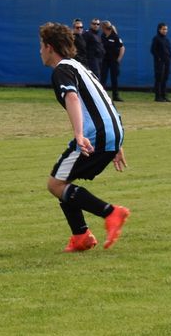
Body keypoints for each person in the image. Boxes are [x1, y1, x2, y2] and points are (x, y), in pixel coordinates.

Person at [38, 22, 130, 252]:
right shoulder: (80, 67)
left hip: (95, 135)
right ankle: (81, 236)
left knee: (55, 183)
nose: (39, 50)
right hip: (110, 133)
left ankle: (111, 212)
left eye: (40, 46)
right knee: (65, 180)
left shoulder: (62, 69)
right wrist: (117, 142)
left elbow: (71, 97)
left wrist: (79, 134)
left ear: (49, 47)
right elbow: (104, 100)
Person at [100, 20, 125, 101]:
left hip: (114, 60)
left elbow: (122, 48)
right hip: (105, 60)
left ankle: (115, 96)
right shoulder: (103, 36)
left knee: (114, 78)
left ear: (105, 28)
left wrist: (119, 59)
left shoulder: (115, 36)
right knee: (103, 77)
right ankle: (101, 95)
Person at [151, 22, 171, 102]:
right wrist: (159, 58)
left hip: (167, 62)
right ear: (159, 29)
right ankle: (158, 97)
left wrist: (170, 58)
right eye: (163, 29)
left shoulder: (166, 39)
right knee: (159, 79)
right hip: (159, 63)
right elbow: (153, 50)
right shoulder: (156, 38)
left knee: (165, 79)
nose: (165, 31)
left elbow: (169, 50)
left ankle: (164, 96)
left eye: (166, 29)